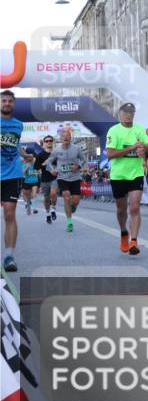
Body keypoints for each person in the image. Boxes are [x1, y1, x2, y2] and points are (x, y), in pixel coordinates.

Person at [105, 102, 148, 255]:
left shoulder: (139, 129)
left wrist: (144, 148)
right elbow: (110, 154)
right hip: (118, 175)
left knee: (135, 207)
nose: (128, 114)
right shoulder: (114, 131)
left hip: (136, 174)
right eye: (125, 112)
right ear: (120, 113)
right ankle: (124, 232)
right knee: (121, 209)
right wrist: (132, 148)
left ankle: (134, 241)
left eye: (131, 112)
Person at [1, 91, 29, 272]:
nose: (7, 103)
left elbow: (16, 146)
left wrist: (26, 155)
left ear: (14, 104)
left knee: (10, 214)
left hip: (12, 173)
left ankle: (9, 256)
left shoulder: (19, 125)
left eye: (10, 101)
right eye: (3, 100)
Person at [46, 126, 86, 233]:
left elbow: (83, 160)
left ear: (70, 138)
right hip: (62, 177)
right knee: (67, 197)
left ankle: (73, 207)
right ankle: (69, 222)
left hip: (75, 177)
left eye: (67, 137)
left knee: (76, 200)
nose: (65, 138)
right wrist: (52, 170)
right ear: (60, 139)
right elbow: (48, 162)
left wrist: (78, 166)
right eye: (63, 137)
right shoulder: (56, 150)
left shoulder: (76, 148)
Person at [33, 135, 58, 224]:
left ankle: (53, 209)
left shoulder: (57, 154)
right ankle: (48, 214)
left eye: (50, 140)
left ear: (53, 142)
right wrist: (43, 164)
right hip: (44, 179)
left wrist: (57, 170)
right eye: (46, 141)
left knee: (54, 193)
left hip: (55, 178)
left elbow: (62, 165)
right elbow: (35, 167)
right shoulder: (40, 155)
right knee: (46, 198)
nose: (49, 142)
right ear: (44, 143)